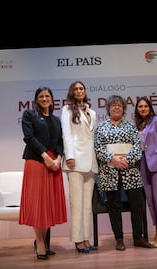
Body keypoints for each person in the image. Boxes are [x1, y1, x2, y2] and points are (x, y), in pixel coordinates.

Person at [94, 94, 154, 251]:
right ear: (108, 108)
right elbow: (98, 147)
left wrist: (126, 160)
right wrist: (112, 159)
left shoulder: (131, 126)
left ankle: (138, 237)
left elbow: (137, 145)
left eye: (119, 105)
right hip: (109, 171)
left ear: (124, 109)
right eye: (113, 105)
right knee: (114, 205)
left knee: (137, 203)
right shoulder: (101, 127)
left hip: (130, 169)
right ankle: (119, 239)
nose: (116, 107)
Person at [19, 86, 67, 260]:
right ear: (36, 99)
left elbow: (61, 141)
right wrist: (45, 156)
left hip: (54, 163)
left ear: (52, 99)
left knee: (48, 204)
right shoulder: (29, 115)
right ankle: (39, 242)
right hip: (37, 161)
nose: (45, 98)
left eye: (47, 96)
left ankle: (43, 241)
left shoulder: (56, 120)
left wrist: (58, 158)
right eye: (41, 96)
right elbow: (29, 137)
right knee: (38, 203)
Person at [61, 81, 99, 253]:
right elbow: (66, 134)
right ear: (72, 92)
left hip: (91, 162)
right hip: (75, 161)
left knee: (87, 205)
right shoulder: (67, 109)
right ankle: (77, 240)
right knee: (77, 203)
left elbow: (93, 137)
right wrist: (69, 156)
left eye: (81, 88)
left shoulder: (92, 112)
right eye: (75, 89)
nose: (79, 91)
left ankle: (86, 238)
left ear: (85, 91)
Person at [134, 96, 157, 248]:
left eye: (145, 106)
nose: (143, 109)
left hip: (156, 163)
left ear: (150, 107)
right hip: (141, 163)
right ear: (137, 109)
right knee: (149, 199)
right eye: (140, 106)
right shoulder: (137, 124)